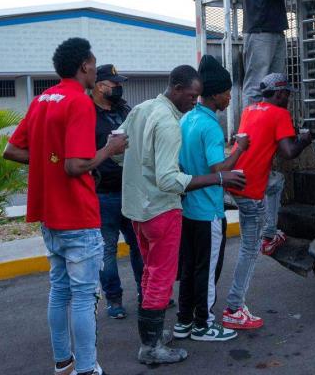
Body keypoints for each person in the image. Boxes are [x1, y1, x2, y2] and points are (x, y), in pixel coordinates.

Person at [4, 38, 126, 375]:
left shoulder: (42, 99)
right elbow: (76, 166)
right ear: (85, 65)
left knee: (59, 290)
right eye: (94, 62)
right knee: (85, 296)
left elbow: (12, 150)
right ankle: (87, 368)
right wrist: (110, 148)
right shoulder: (79, 102)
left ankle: (64, 363)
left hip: (50, 217)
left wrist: (47, 160)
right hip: (77, 214)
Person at [120, 64, 246, 365]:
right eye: (191, 95)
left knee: (152, 274)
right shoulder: (168, 123)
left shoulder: (142, 109)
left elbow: (118, 147)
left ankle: (154, 336)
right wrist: (219, 179)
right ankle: (151, 347)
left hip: (138, 208)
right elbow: (168, 179)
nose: (194, 101)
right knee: (162, 278)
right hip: (161, 209)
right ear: (177, 89)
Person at [222, 73, 312, 331]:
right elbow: (288, 153)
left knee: (277, 181)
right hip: (250, 191)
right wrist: (305, 139)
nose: (289, 98)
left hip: (235, 180)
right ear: (280, 93)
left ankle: (270, 234)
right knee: (249, 252)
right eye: (288, 94)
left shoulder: (250, 109)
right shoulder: (278, 114)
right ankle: (233, 309)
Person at [173, 56, 249, 343]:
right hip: (207, 210)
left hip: (187, 209)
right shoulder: (211, 126)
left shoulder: (188, 118)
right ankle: (204, 324)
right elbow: (219, 170)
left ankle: (184, 321)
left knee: (190, 267)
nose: (230, 96)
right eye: (228, 92)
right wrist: (240, 149)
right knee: (206, 271)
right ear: (216, 94)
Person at [90, 63, 144, 320]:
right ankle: (114, 300)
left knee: (139, 245)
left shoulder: (124, 109)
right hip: (103, 193)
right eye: (115, 84)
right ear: (100, 86)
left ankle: (148, 294)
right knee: (107, 250)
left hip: (131, 188)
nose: (119, 88)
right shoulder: (86, 113)